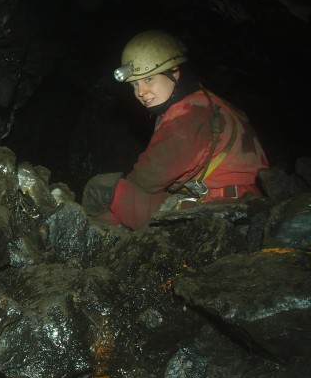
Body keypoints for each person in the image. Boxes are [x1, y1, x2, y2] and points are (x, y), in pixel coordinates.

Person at [82, 30, 269, 230]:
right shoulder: (210, 102)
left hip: (220, 212)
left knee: (102, 188)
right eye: (135, 84)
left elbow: (147, 179)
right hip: (244, 201)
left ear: (175, 72)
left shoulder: (187, 116)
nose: (140, 92)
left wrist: (125, 192)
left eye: (149, 79)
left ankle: (113, 245)